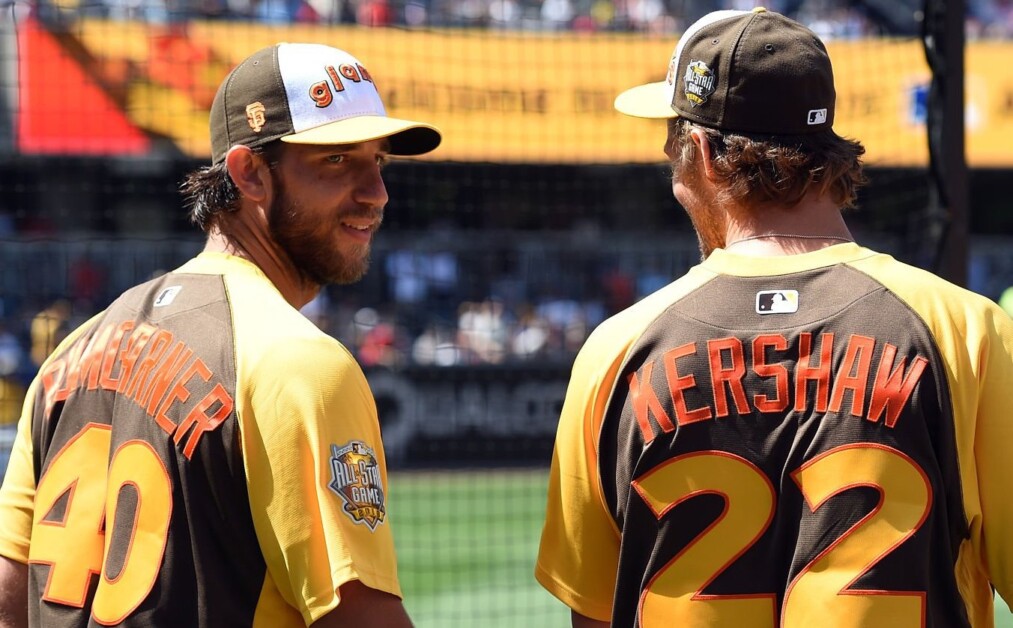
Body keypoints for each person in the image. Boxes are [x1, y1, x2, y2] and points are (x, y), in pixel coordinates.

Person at [535, 8, 1013, 627]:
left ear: (703, 155)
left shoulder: (617, 351)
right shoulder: (963, 329)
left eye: (672, 146)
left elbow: (596, 615)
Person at [0, 42, 441, 627]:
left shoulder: (69, 356)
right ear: (249, 174)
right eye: (336, 160)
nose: (376, 193)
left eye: (378, 162)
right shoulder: (297, 361)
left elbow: (11, 601)